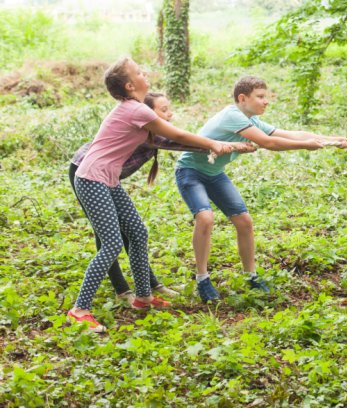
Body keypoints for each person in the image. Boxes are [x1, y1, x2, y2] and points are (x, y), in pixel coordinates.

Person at [67, 57, 236, 333]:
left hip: (106, 179)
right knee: (111, 243)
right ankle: (79, 309)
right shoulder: (136, 110)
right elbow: (177, 133)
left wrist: (221, 145)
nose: (145, 74)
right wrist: (214, 144)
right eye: (139, 72)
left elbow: (173, 141)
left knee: (138, 231)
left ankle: (143, 298)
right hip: (91, 178)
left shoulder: (133, 109)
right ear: (131, 85)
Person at [175, 75, 347, 302]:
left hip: (213, 174)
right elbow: (269, 143)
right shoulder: (232, 116)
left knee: (244, 222)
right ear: (242, 98)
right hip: (190, 171)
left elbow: (289, 134)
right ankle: (202, 279)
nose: (266, 101)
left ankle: (251, 276)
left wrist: (333, 139)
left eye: (265, 96)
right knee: (205, 218)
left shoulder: (251, 120)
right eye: (260, 97)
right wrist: (305, 146)